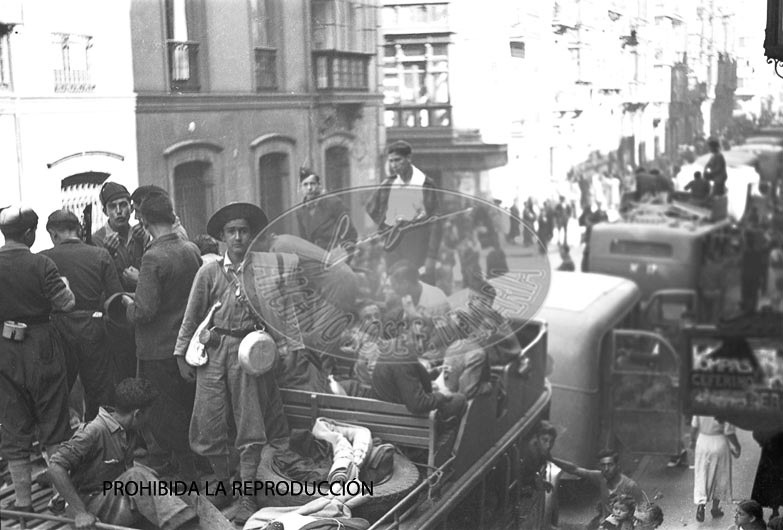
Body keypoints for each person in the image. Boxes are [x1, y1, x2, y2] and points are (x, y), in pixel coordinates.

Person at [174, 202, 293, 524]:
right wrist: (181, 354)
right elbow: (191, 316)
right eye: (231, 231)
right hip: (213, 353)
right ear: (223, 237)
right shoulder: (208, 272)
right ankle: (224, 482)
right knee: (208, 422)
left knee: (250, 424)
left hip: (250, 354)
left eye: (243, 231)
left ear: (251, 235)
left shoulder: (261, 272)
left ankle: (246, 494)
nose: (238, 237)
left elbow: (278, 314)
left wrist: (286, 348)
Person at [121, 193, 203, 482]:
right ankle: (190, 465)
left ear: (144, 221)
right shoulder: (191, 249)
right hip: (187, 346)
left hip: (158, 349)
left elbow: (144, 311)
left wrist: (127, 304)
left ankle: (186, 472)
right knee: (187, 406)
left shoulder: (153, 256)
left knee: (165, 413)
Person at [0, 205, 75, 513]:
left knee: (13, 423)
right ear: (30, 233)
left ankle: (23, 503)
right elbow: (66, 304)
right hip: (42, 346)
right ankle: (61, 498)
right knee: (54, 422)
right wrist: (65, 286)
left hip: (5, 348)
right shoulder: (42, 264)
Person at [47, 378, 197, 530]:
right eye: (148, 413)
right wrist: (80, 512)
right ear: (137, 414)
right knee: (136, 476)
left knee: (173, 488)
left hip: (113, 501)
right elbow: (55, 467)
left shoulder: (128, 430)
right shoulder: (94, 431)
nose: (149, 419)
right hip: (90, 511)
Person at [41, 209, 123, 421]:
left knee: (60, 391)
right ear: (78, 229)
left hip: (59, 328)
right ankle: (101, 436)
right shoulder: (100, 255)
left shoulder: (43, 259)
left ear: (53, 233)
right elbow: (116, 297)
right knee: (100, 391)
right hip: (93, 327)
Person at [366, 141, 442, 281]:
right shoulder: (389, 183)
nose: (394, 165)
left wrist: (432, 256)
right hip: (393, 243)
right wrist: (385, 228)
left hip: (418, 243)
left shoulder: (425, 183)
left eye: (398, 160)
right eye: (391, 161)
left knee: (417, 283)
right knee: (395, 284)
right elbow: (371, 207)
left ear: (408, 158)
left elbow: (436, 221)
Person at [92, 182, 144, 384]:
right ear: (105, 211)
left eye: (123, 205)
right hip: (117, 319)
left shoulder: (141, 234)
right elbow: (96, 283)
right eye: (113, 207)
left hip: (142, 312)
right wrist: (106, 254)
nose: (119, 211)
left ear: (131, 207)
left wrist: (144, 242)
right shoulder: (97, 240)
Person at [549, 449, 644, 530]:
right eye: (603, 465)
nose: (606, 469)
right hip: (604, 522)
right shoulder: (600, 477)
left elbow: (643, 513)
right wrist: (551, 459)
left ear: (617, 466)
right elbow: (574, 469)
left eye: (610, 465)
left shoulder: (631, 486)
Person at [296, 167, 357, 258]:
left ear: (319, 185)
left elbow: (350, 234)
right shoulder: (300, 211)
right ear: (301, 188)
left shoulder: (333, 203)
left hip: (335, 257)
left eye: (312, 184)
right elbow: (304, 240)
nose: (309, 188)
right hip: (315, 259)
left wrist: (343, 254)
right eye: (305, 184)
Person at [690, 415, 740, 522]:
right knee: (720, 475)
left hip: (703, 441)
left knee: (702, 474)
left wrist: (692, 440)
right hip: (719, 441)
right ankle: (715, 508)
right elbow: (729, 431)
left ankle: (701, 505)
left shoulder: (700, 407)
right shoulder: (724, 408)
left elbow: (694, 426)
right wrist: (737, 446)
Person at [751, 430, 783, 519]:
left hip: (770, 450)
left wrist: (762, 442)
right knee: (776, 480)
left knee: (771, 480)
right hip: (773, 450)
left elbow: (757, 432)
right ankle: (775, 510)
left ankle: (774, 510)